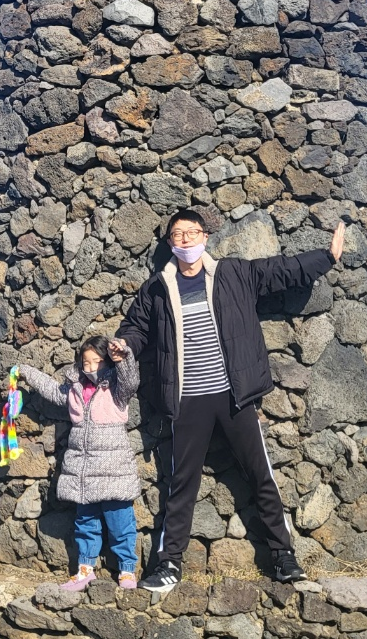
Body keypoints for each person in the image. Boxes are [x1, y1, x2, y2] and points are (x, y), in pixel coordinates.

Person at [117, 207, 346, 594]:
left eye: (192, 233)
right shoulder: (157, 288)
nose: (186, 240)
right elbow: (136, 328)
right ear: (170, 243)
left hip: (233, 396)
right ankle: (170, 564)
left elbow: (281, 271)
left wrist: (326, 257)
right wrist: (124, 345)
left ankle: (282, 556)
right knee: (181, 484)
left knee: (261, 475)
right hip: (186, 399)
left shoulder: (234, 273)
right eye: (178, 235)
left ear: (205, 236)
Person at [14, 335, 141, 591]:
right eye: (87, 362)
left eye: (98, 361)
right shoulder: (74, 389)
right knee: (85, 522)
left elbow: (131, 380)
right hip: (82, 471)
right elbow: (52, 390)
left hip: (113, 469)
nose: (92, 367)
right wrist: (25, 372)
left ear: (107, 360)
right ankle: (85, 571)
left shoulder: (117, 388)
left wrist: (123, 356)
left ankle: (127, 570)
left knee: (120, 522)